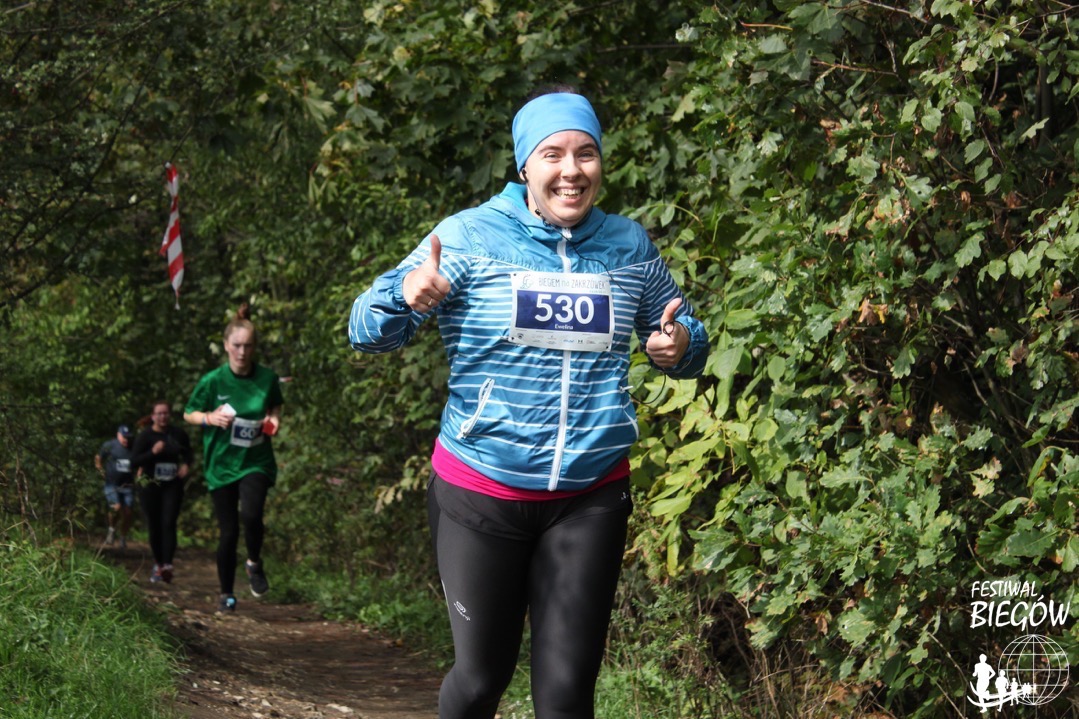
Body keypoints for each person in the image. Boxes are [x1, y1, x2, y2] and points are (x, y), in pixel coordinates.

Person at [348, 87, 709, 719]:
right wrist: (404, 297)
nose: (572, 170)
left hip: (589, 496)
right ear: (524, 165)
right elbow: (364, 330)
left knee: (567, 698)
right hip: (482, 490)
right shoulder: (467, 236)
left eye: (586, 154)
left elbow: (685, 336)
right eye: (553, 154)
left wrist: (678, 345)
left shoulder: (627, 246)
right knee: (479, 682)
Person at [184, 305, 283, 614]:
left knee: (251, 515)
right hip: (221, 464)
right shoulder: (213, 381)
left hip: (255, 460)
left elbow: (275, 406)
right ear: (226, 345)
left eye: (248, 346)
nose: (242, 352)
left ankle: (254, 562)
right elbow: (188, 413)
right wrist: (208, 418)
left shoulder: (267, 378)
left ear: (254, 347)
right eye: (237, 345)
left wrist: (274, 420)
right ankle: (226, 594)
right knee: (228, 532)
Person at [130, 401, 192, 584]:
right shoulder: (145, 436)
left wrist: (186, 465)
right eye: (159, 413)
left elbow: (188, 453)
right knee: (154, 524)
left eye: (166, 413)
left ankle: (167, 565)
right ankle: (158, 564)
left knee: (169, 522)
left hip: (172, 484)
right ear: (153, 416)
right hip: (150, 485)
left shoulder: (178, 434)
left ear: (169, 415)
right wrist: (152, 452)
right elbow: (134, 461)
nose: (163, 416)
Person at [95, 424, 136, 548]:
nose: (126, 440)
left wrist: (139, 474)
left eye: (128, 437)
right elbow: (98, 457)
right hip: (111, 484)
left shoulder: (133, 447)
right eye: (124, 437)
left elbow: (140, 462)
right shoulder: (110, 445)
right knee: (116, 508)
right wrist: (101, 470)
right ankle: (111, 530)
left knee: (128, 513)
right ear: (118, 435)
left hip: (128, 485)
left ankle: (123, 537)